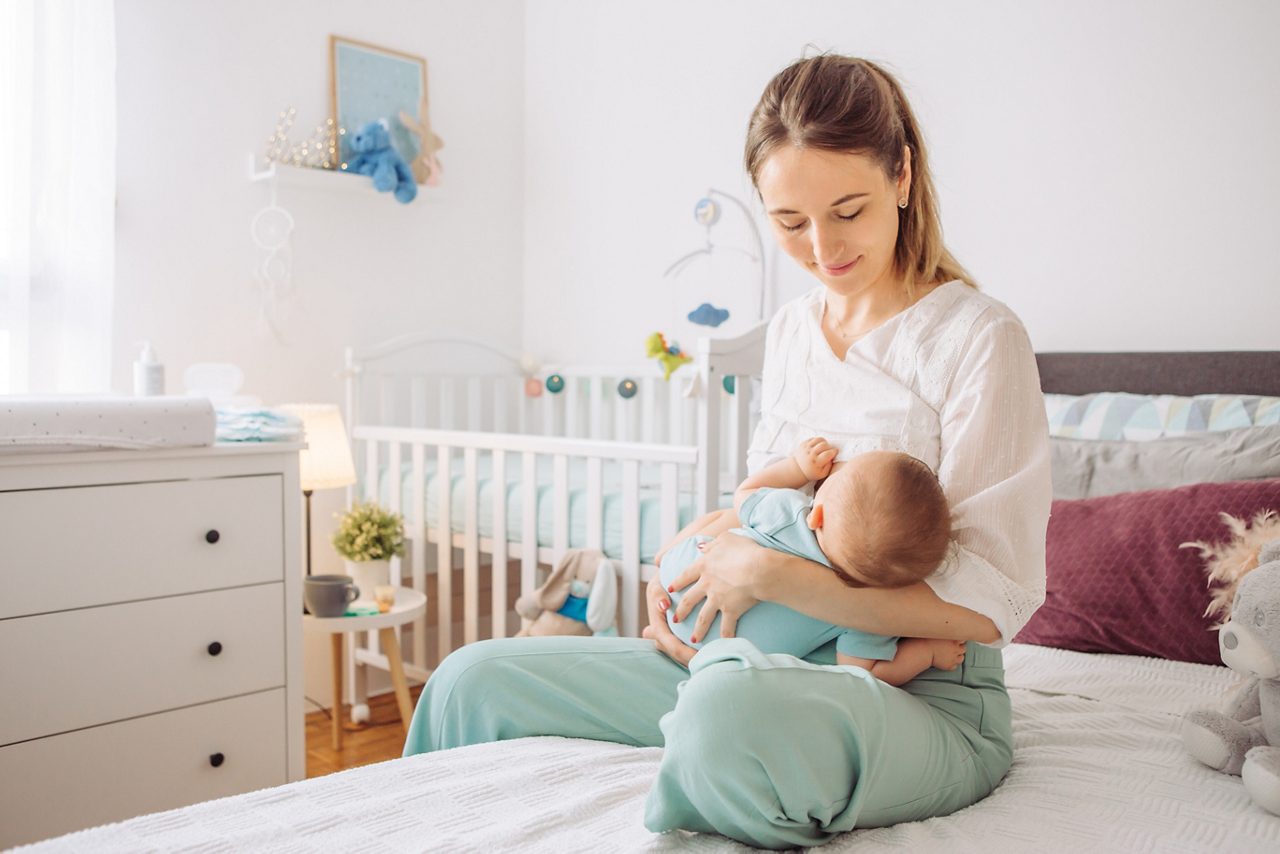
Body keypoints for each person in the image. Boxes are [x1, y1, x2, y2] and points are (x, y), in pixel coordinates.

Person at [403, 54, 1051, 849]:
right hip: (739, 653)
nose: (823, 247)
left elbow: (991, 604)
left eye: (849, 209)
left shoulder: (979, 338)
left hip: (918, 694)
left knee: (727, 714)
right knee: (472, 680)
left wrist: (776, 577)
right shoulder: (787, 336)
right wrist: (686, 564)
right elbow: (767, 506)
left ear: (904, 177)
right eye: (790, 223)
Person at [657, 437, 967, 681]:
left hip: (677, 586)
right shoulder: (870, 612)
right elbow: (863, 673)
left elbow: (745, 493)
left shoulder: (789, 512)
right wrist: (927, 653)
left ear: (816, 514)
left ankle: (662, 555)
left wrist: (797, 469)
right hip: (731, 659)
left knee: (717, 517)